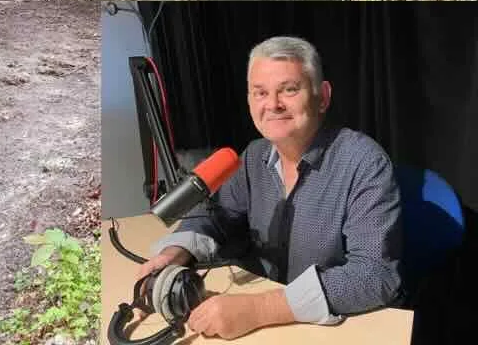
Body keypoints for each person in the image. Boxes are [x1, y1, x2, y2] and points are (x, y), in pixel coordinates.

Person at [137, 36, 403, 339]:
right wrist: (176, 252)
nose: (273, 105)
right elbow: (215, 217)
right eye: (260, 93)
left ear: (323, 97)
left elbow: (375, 276)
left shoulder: (364, 162)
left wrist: (260, 310)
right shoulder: (254, 155)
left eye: (289, 90)